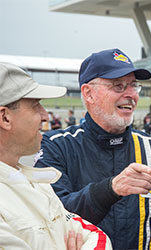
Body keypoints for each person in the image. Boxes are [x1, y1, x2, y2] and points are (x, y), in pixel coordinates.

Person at [35, 48, 151, 249]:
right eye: (118, 86)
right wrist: (110, 189)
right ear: (89, 93)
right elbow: (51, 217)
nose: (130, 94)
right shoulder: (56, 146)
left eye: (134, 85)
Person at [0, 62, 112, 250]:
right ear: (5, 118)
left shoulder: (38, 183)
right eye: (36, 106)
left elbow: (97, 236)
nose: (46, 116)